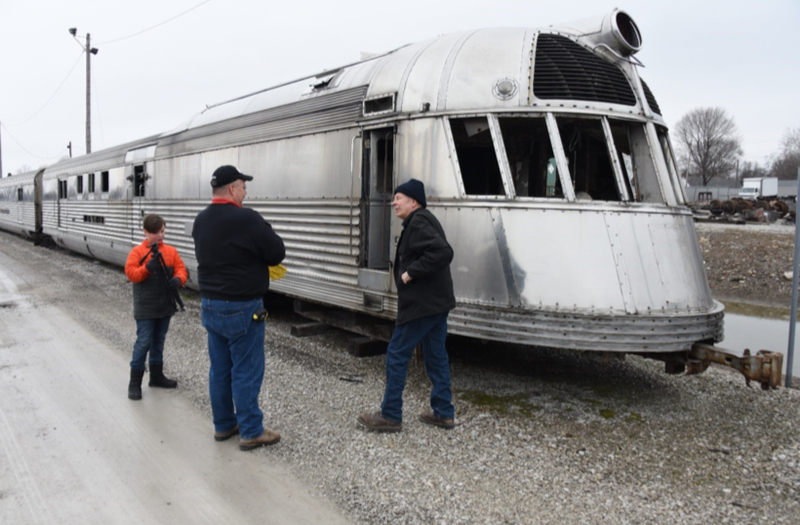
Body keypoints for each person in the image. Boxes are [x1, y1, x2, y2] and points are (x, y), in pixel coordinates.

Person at [192, 165, 286, 451]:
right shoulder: (247, 219)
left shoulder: (201, 220)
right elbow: (276, 252)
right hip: (243, 307)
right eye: (244, 187)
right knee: (246, 369)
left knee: (220, 369)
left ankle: (224, 424)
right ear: (232, 188)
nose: (246, 192)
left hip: (210, 305)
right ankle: (251, 431)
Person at [358, 178, 456, 432]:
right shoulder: (422, 220)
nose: (393, 203)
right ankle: (444, 412)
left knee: (397, 353)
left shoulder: (419, 222)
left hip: (422, 304)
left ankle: (391, 414)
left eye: (398, 198)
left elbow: (443, 253)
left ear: (413, 201)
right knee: (436, 356)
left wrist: (410, 272)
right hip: (436, 303)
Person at [124, 214, 188, 400]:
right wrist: (147, 269)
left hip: (165, 305)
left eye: (162, 231)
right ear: (145, 232)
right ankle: (134, 383)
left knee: (158, 341)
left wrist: (179, 279)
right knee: (144, 342)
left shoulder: (171, 252)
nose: (160, 235)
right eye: (155, 232)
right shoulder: (137, 252)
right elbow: (131, 274)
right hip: (145, 307)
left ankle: (156, 376)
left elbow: (181, 269)